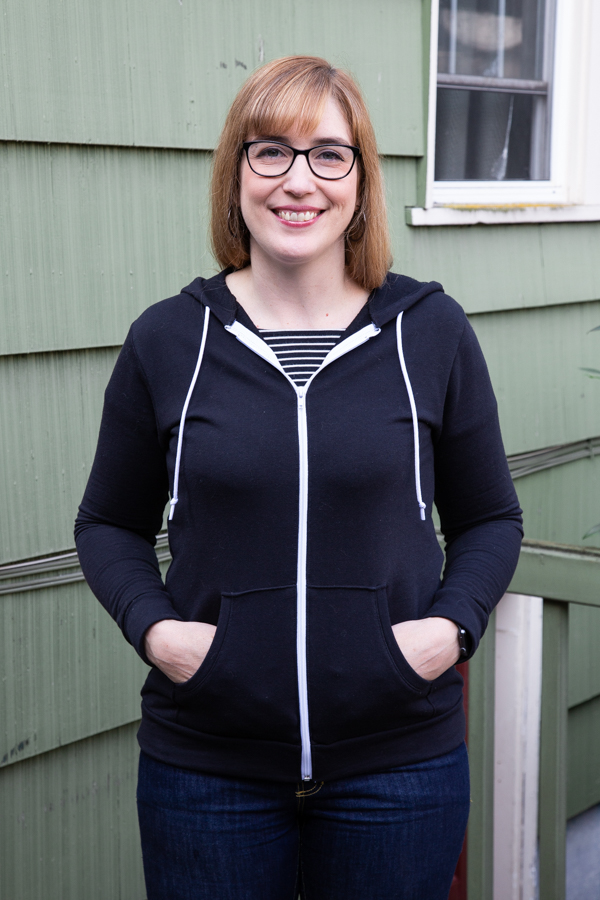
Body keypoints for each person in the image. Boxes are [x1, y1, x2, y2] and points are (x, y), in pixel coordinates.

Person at [75, 55, 523, 900]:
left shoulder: (429, 332)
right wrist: (160, 635)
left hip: (400, 767)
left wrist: (449, 631)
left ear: (360, 180)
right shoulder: (169, 340)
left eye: (328, 154)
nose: (298, 179)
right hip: (207, 770)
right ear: (236, 173)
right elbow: (106, 524)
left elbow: (491, 518)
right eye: (271, 150)